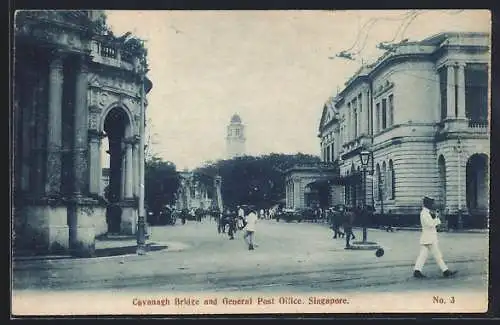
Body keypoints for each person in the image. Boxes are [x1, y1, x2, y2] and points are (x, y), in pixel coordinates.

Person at [413, 196, 457, 278]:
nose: (433, 205)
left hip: (427, 238)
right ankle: (445, 271)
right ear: (428, 204)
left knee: (423, 255)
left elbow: (430, 222)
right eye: (432, 203)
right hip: (429, 238)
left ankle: (417, 271)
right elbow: (430, 224)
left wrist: (435, 217)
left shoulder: (426, 212)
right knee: (437, 255)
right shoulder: (425, 213)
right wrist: (437, 219)